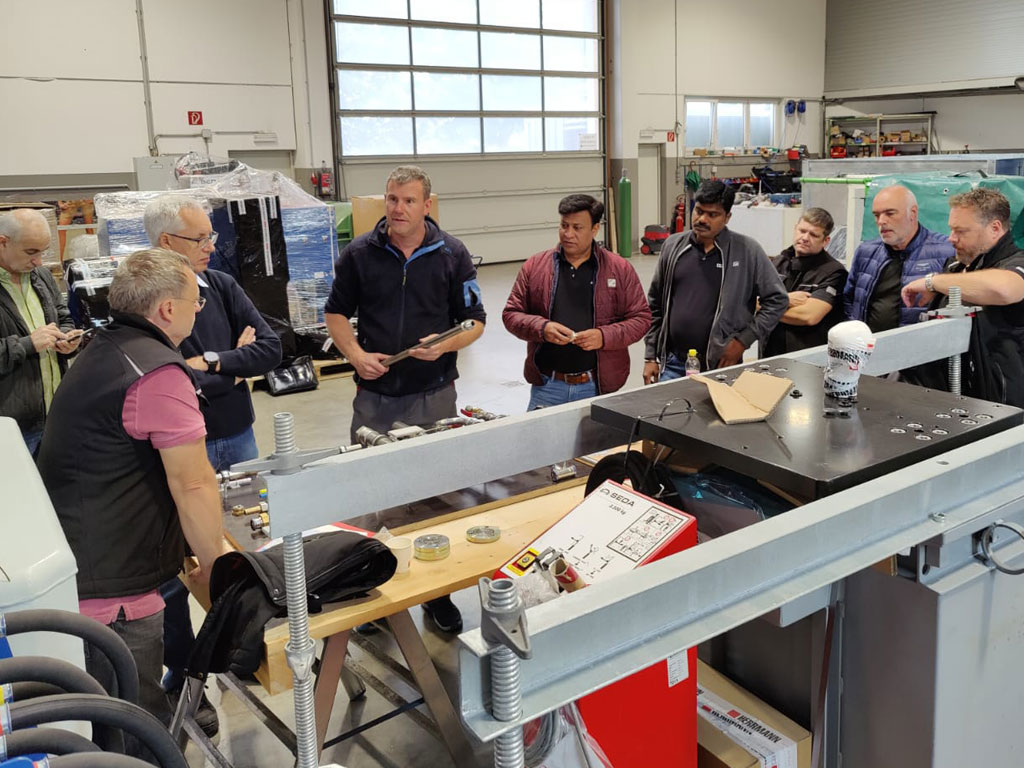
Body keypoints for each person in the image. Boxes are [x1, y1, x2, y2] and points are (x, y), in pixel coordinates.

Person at [37, 249, 227, 757]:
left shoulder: (107, 348)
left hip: (86, 563)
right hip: (113, 591)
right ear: (167, 308)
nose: (199, 310)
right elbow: (193, 484)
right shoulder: (156, 373)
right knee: (135, 730)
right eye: (195, 300)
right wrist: (220, 568)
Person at [324, 165, 486, 633]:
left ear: (426, 205)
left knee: (436, 496)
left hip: (434, 396)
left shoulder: (452, 254)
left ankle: (438, 595)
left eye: (408, 201)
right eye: (392, 199)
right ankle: (366, 595)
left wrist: (446, 345)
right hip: (374, 397)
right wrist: (355, 355)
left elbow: (475, 321)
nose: (398, 209)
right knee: (366, 497)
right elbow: (335, 313)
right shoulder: (359, 254)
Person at [143, 195, 282, 735]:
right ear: (166, 243)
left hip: (237, 437)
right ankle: (183, 675)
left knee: (251, 550)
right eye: (200, 238)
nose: (211, 245)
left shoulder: (221, 286)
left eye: (210, 237)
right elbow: (163, 376)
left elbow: (271, 348)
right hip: (179, 453)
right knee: (179, 569)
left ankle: (246, 647)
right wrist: (230, 368)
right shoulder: (148, 302)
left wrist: (213, 361)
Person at [502, 194, 651, 407]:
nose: (568, 234)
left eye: (577, 228)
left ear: (595, 229)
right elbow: (511, 314)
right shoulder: (535, 266)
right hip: (547, 386)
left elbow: (641, 318)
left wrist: (603, 336)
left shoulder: (619, 269)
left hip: (597, 386)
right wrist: (542, 328)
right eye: (564, 225)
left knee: (601, 431)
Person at [643, 180, 787, 382]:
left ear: (727, 217)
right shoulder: (673, 246)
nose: (702, 219)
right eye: (699, 211)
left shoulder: (747, 251)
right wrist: (651, 355)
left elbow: (777, 300)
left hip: (721, 365)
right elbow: (655, 304)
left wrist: (742, 341)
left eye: (712, 215)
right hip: (674, 363)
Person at [902, 187, 1024, 406]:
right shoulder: (955, 268)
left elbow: (1004, 289)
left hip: (1001, 403)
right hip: (950, 396)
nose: (951, 238)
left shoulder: (1017, 263)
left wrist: (934, 282)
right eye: (951, 230)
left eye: (961, 231)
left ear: (995, 228)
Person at [0, 208, 81, 454]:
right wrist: (28, 344)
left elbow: (63, 317)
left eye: (42, 252)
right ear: (3, 242)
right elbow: (31, 342)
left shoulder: (41, 276)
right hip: (11, 427)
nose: (39, 261)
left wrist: (67, 339)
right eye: (31, 252)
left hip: (55, 416)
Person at [844, 184, 952, 331]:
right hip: (869, 342)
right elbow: (849, 300)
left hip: (921, 343)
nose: (881, 221)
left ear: (912, 213)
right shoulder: (866, 252)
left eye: (890, 213)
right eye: (876, 215)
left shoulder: (946, 251)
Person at [764, 207, 848, 356]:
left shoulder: (834, 272)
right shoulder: (778, 263)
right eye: (802, 231)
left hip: (807, 357)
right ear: (795, 228)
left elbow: (808, 316)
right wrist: (786, 300)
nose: (805, 238)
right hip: (769, 352)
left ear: (825, 241)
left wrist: (765, 306)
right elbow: (749, 298)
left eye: (813, 235)